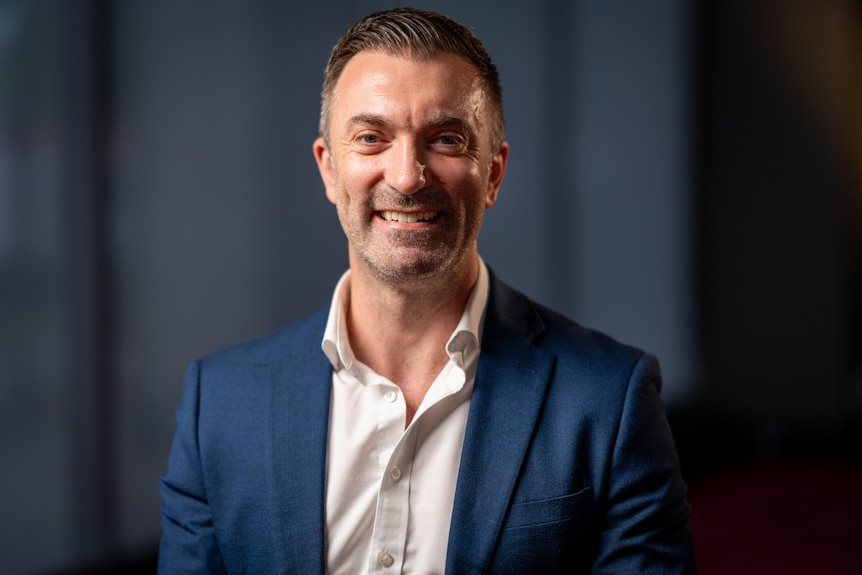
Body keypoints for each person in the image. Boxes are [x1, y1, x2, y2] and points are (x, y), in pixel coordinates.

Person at [158, 7, 697, 574]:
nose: (407, 175)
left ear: (492, 173)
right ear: (328, 170)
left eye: (445, 139)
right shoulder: (217, 405)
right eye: (371, 138)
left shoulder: (610, 402)